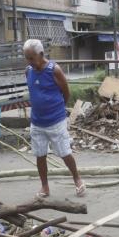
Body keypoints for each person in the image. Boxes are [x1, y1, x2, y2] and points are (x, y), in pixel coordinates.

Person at [22, 39, 85, 198]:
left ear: (41, 54)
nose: (29, 61)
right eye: (27, 58)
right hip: (37, 121)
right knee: (40, 155)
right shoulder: (28, 71)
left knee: (64, 152)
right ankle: (45, 187)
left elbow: (66, 92)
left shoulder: (54, 69)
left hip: (55, 120)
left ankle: (77, 179)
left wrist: (57, 109)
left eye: (31, 57)